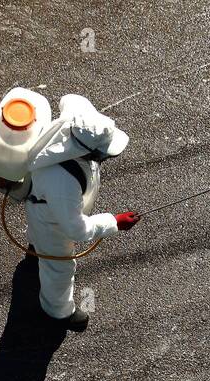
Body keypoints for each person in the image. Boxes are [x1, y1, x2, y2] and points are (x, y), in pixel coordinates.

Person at [24, 94, 140, 330]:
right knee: (60, 267)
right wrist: (114, 222)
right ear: (85, 152)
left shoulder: (77, 120)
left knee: (39, 235)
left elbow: (70, 98)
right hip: (53, 225)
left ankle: (35, 251)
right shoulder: (63, 181)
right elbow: (76, 229)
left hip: (41, 207)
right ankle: (58, 312)